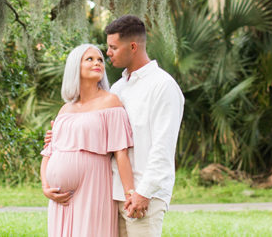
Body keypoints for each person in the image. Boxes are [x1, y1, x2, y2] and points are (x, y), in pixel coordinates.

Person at [41, 43, 137, 237]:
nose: (98, 63)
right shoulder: (65, 109)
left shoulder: (110, 102)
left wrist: (130, 194)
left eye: (100, 59)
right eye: (90, 59)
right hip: (60, 199)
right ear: (75, 66)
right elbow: (49, 153)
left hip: (94, 185)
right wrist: (45, 188)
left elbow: (121, 153)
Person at [105, 15, 184, 237]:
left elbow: (163, 146)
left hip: (144, 196)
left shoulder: (163, 86)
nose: (108, 53)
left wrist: (144, 193)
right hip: (115, 194)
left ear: (132, 46)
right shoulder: (118, 88)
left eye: (113, 47)